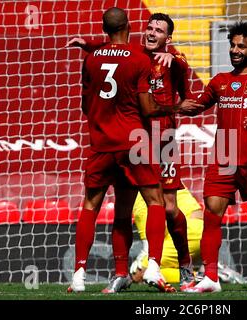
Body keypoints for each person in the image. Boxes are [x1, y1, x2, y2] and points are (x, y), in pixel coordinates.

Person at [67, 7, 198, 294]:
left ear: (168, 37)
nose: (152, 33)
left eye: (159, 31)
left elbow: (187, 92)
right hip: (136, 139)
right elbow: (112, 49)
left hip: (162, 140)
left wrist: (174, 56)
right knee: (125, 208)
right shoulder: (137, 56)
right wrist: (88, 44)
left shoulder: (174, 60)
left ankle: (186, 267)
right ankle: (125, 273)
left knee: (170, 207)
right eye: (150, 28)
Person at [180, 22, 247, 293]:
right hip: (224, 157)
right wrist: (177, 93)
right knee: (212, 214)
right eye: (233, 44)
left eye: (241, 46)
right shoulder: (219, 81)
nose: (235, 49)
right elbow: (195, 106)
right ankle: (211, 277)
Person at [129, 187, 247, 285]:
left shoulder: (141, 197)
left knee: (138, 273)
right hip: (203, 232)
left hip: (186, 234)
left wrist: (141, 262)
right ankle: (206, 271)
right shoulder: (171, 179)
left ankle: (205, 275)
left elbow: (152, 242)